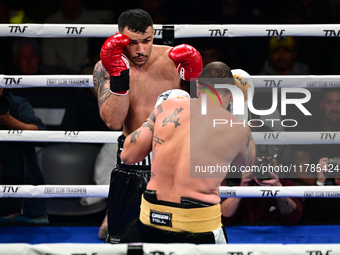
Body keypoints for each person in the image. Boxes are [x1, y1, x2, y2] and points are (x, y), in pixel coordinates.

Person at [93, 8, 203, 243]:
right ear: (118, 37)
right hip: (132, 164)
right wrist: (120, 77)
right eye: (132, 43)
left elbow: (205, 118)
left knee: (180, 242)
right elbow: (113, 122)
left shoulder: (175, 60)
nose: (140, 50)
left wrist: (194, 83)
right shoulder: (104, 67)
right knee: (122, 242)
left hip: (174, 164)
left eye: (147, 41)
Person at [120, 61, 256, 244]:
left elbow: (127, 155)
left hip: (151, 217)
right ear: (232, 95)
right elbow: (247, 168)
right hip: (197, 224)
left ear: (198, 86)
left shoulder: (166, 108)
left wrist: (153, 124)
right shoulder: (238, 127)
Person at [0, 88, 48, 224]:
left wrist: (7, 120)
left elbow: (43, 137)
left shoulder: (16, 105)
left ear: (1, 88)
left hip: (25, 211)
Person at [221, 155, 304, 226]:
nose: (263, 168)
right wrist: (241, 190)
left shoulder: (289, 186)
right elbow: (222, 219)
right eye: (258, 164)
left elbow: (293, 219)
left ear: (278, 168)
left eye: (269, 164)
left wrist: (278, 189)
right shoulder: (239, 188)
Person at [292, 88, 340, 185]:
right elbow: (300, 170)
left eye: (339, 102)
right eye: (329, 102)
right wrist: (320, 184)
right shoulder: (308, 130)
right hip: (316, 185)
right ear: (322, 104)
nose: (334, 108)